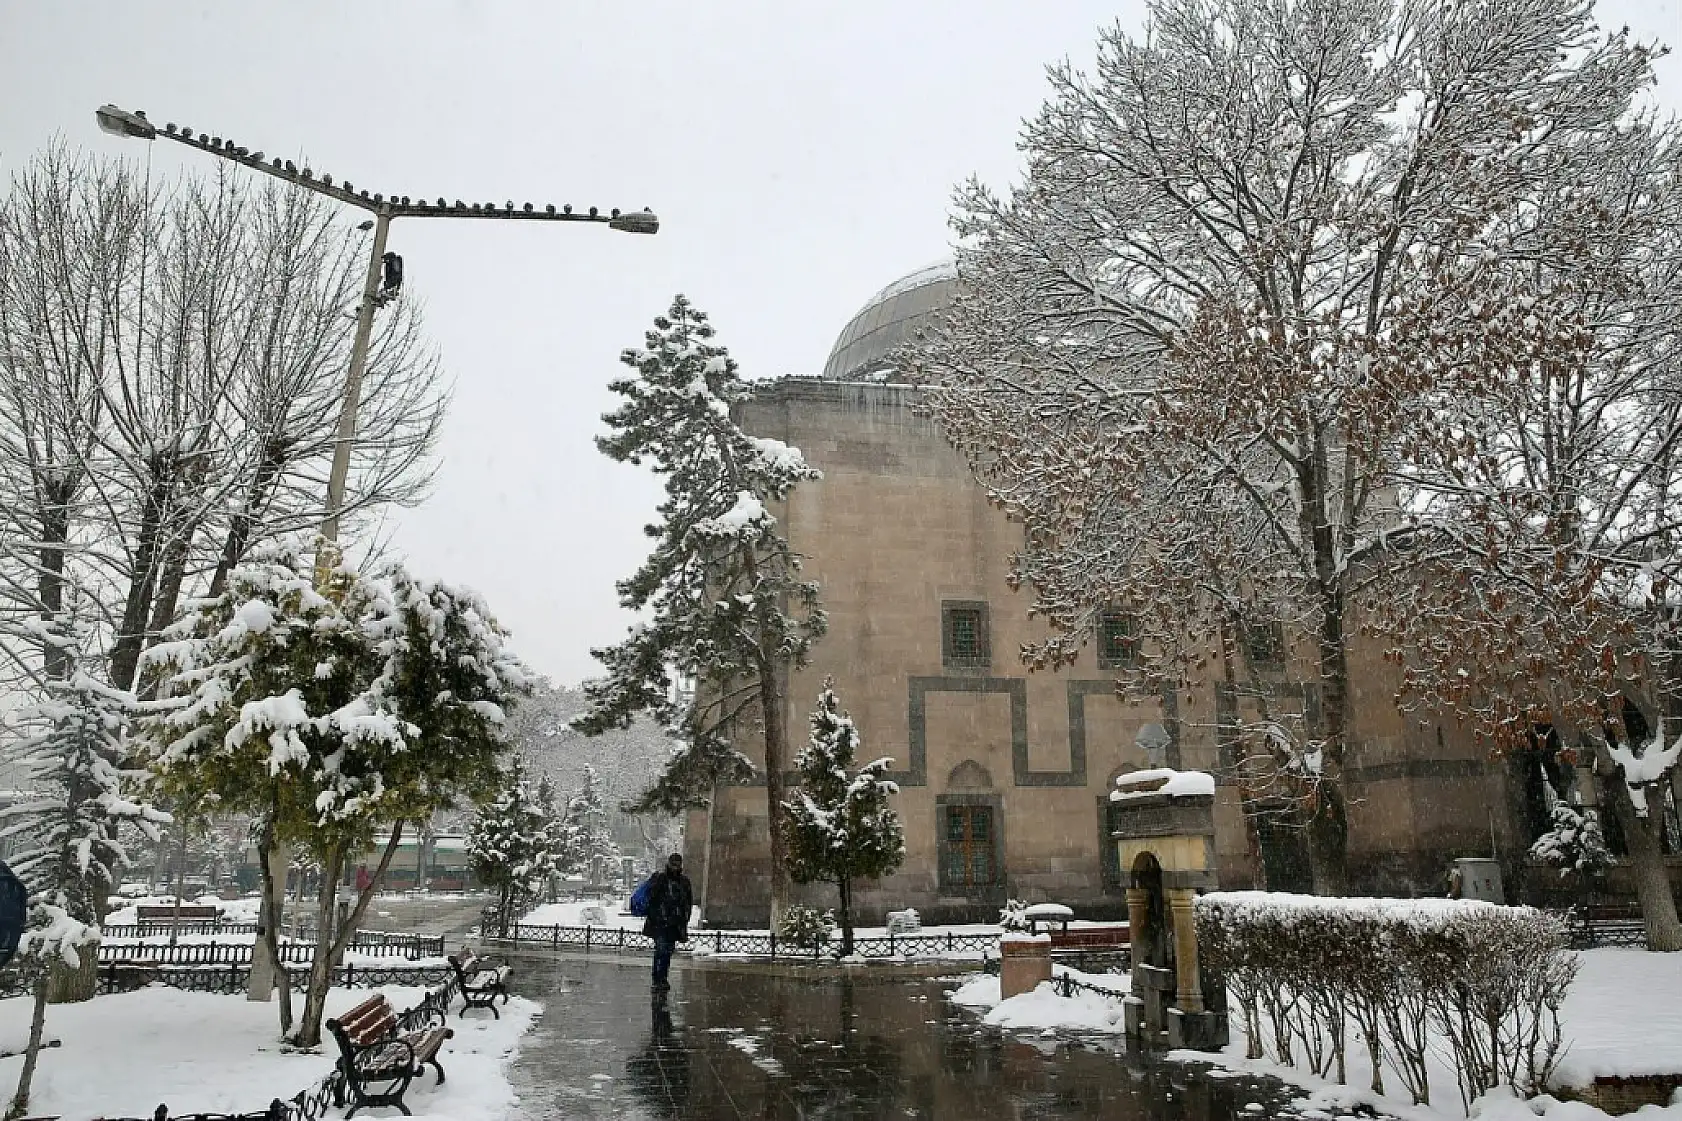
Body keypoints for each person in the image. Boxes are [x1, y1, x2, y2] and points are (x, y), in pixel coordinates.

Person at [642, 852, 693, 991]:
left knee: (668, 951)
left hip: (674, 923)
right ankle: (657, 979)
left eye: (678, 865)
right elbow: (652, 898)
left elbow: (688, 902)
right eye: (673, 864)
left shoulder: (684, 882)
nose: (675, 867)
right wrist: (658, 914)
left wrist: (684, 918)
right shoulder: (661, 879)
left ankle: (662, 977)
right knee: (661, 950)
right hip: (660, 922)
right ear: (669, 864)